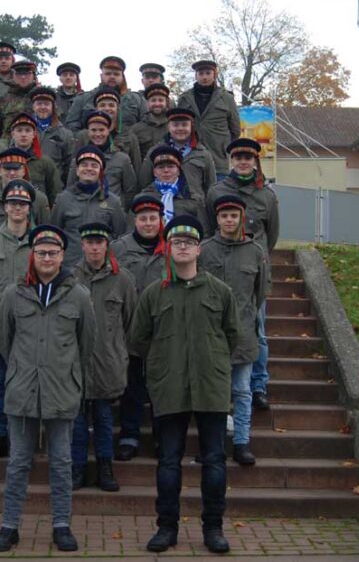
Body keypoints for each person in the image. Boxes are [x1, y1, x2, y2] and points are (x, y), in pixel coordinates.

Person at [129, 215, 240, 555]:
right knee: (168, 461)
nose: (183, 248)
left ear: (198, 249)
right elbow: (138, 339)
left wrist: (211, 360)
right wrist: (165, 362)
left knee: (215, 460)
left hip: (210, 385)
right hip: (169, 386)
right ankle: (167, 528)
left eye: (189, 243)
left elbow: (232, 335)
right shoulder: (154, 294)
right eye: (176, 242)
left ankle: (213, 528)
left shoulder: (220, 292)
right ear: (168, 248)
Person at [0, 225, 94, 554]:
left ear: (62, 256)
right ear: (32, 256)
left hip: (61, 391)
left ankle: (62, 525)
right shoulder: (13, 294)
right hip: (22, 392)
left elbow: (86, 345)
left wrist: (66, 374)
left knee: (61, 462)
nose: (47, 258)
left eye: (53, 253)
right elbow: (5, 342)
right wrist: (23, 371)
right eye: (41, 252)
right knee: (18, 462)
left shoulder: (79, 296)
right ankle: (9, 526)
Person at [206, 137, 279, 412]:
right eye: (238, 158)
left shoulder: (267, 196)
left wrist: (256, 258)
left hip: (252, 269)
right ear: (231, 161)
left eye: (248, 158)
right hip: (221, 266)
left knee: (257, 330)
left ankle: (258, 385)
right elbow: (209, 227)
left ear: (255, 161)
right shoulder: (217, 192)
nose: (243, 162)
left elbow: (271, 235)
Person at [198, 194, 269, 466]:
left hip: (243, 333)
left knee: (241, 390)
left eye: (234, 216)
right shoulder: (205, 250)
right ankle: (212, 444)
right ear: (217, 219)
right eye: (224, 216)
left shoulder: (255, 252)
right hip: (211, 334)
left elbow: (260, 293)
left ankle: (241, 442)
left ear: (241, 218)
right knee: (213, 394)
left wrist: (246, 317)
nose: (229, 220)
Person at [0, 180, 38, 463]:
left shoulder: (39, 243)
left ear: (29, 208)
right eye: (13, 203)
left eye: (22, 204)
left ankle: (22, 441)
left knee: (26, 385)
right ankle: (0, 435)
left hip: (30, 327)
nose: (17, 208)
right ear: (5, 207)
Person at [71, 222, 135, 492]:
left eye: (99, 242)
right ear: (82, 245)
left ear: (107, 245)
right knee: (76, 419)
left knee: (104, 418)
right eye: (90, 242)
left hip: (108, 360)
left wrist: (118, 351)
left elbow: (130, 321)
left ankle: (105, 467)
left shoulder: (123, 279)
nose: (95, 248)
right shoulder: (70, 277)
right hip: (75, 361)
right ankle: (77, 467)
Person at [110, 195, 166, 460]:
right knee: (131, 386)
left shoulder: (171, 247)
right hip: (129, 328)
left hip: (162, 330)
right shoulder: (119, 248)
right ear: (135, 220)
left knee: (161, 388)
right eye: (143, 219)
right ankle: (129, 436)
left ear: (160, 220)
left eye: (153, 218)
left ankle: (162, 437)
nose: (148, 223)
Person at [51, 145, 127, 269]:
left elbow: (120, 235)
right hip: (70, 267)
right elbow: (55, 234)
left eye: (94, 165)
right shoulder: (63, 199)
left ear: (101, 172)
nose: (89, 169)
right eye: (84, 165)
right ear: (77, 170)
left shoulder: (113, 202)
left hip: (103, 268)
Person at [176, 60, 241, 179]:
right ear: (196, 76)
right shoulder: (185, 99)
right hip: (190, 158)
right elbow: (177, 125)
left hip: (218, 159)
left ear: (214, 75)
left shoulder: (226, 98)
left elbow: (235, 129)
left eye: (208, 73)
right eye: (201, 73)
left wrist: (224, 146)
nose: (204, 77)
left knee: (218, 189)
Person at [0, 147, 50, 246]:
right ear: (0, 170)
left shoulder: (39, 199)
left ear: (24, 170)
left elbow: (44, 234)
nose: (12, 173)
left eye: (16, 168)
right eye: (7, 168)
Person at [138, 107, 218, 199]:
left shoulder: (203, 154)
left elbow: (211, 186)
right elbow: (145, 182)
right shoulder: (155, 152)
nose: (180, 128)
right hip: (162, 203)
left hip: (194, 204)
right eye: (175, 125)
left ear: (191, 127)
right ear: (168, 127)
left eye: (184, 125)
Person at [66, 108, 138, 208]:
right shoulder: (78, 161)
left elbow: (130, 191)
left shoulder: (122, 159)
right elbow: (70, 189)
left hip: (112, 211)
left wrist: (121, 210)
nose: (98, 134)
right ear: (88, 132)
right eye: (93, 130)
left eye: (101, 130)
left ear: (108, 131)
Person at [135, 145, 209, 234]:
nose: (166, 171)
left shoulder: (192, 197)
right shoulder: (143, 197)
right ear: (154, 172)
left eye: (170, 166)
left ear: (178, 171)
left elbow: (205, 232)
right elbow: (131, 231)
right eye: (161, 167)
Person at [63, 56, 147, 131]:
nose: (112, 77)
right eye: (108, 74)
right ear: (101, 76)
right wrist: (86, 136)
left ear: (122, 77)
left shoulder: (137, 100)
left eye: (116, 74)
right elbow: (71, 126)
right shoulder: (83, 99)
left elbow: (145, 126)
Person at [8, 111, 63, 206]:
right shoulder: (5, 161)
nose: (23, 134)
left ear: (34, 134)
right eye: (19, 130)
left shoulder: (45, 162)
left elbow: (55, 194)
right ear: (13, 134)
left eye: (28, 130)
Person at [29, 84, 75, 179]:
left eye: (46, 104)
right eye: (39, 104)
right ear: (33, 107)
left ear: (53, 107)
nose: (43, 107)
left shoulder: (65, 134)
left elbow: (69, 165)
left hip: (55, 183)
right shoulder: (24, 131)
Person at [130, 83, 171, 160]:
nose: (157, 104)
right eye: (153, 100)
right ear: (147, 103)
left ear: (166, 102)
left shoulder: (174, 127)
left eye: (161, 100)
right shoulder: (136, 129)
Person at [0, 60, 38, 129]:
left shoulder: (41, 98)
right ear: (13, 76)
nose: (23, 77)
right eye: (19, 74)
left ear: (33, 76)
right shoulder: (3, 100)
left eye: (27, 73)